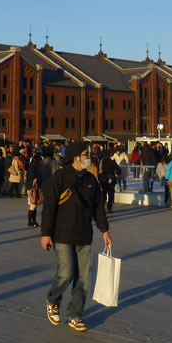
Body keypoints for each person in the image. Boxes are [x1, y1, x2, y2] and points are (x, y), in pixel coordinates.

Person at [40, 142, 112, 333]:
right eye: (85, 154)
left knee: (83, 279)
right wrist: (46, 234)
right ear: (75, 158)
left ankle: (75, 314)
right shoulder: (60, 177)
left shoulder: (90, 180)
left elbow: (98, 206)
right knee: (66, 273)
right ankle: (53, 299)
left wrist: (104, 230)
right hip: (63, 234)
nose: (89, 157)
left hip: (84, 235)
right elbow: (49, 208)